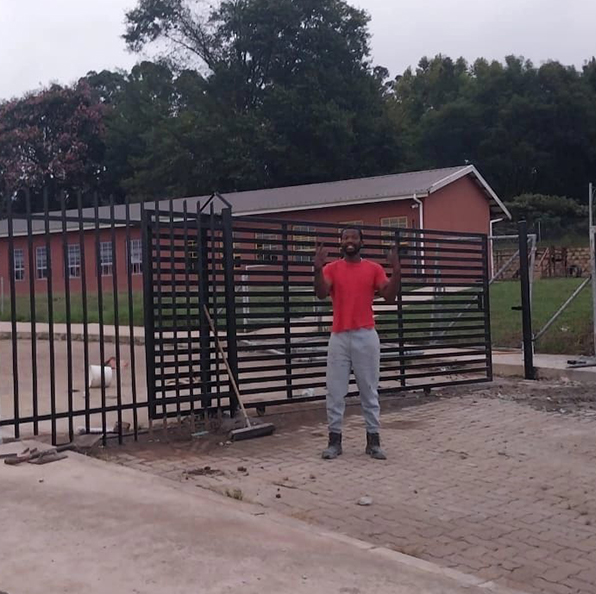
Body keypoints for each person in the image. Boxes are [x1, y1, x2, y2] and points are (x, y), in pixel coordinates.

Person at [314, 227, 401, 460]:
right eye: (345, 238)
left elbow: (389, 296)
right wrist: (317, 269)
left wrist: (397, 271)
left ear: (362, 242)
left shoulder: (373, 268)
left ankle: (373, 441)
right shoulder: (332, 268)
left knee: (369, 390)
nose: (349, 241)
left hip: (366, 335)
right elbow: (321, 293)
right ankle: (334, 441)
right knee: (335, 391)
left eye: (354, 237)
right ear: (340, 243)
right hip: (339, 337)